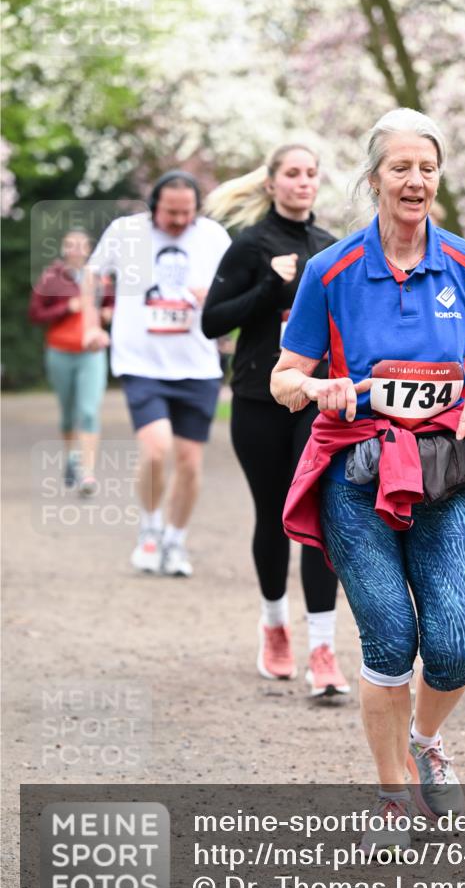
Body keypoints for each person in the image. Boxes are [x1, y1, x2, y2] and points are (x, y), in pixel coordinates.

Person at [271, 109, 465, 850]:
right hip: (357, 473)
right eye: (399, 167)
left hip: (442, 473)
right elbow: (283, 378)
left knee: (454, 645)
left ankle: (426, 741)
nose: (414, 180)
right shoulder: (331, 271)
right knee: (389, 640)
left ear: (438, 178)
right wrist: (320, 390)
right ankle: (393, 795)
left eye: (426, 168)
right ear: (374, 178)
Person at [201, 145, 349, 698]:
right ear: (271, 184)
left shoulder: (330, 248)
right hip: (259, 400)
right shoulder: (249, 246)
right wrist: (266, 285)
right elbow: (211, 321)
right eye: (293, 173)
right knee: (272, 515)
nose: (304, 182)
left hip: (316, 403)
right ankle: (274, 627)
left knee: (320, 516)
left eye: (312, 173)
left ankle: (323, 647)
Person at [85, 171, 231, 576]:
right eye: (171, 212)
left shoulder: (214, 237)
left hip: (197, 365)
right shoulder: (126, 232)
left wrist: (214, 296)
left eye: (187, 212)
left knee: (189, 461)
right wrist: (90, 325)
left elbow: (235, 286)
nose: (180, 221)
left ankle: (174, 541)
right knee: (155, 448)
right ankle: (149, 529)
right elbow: (93, 273)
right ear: (154, 207)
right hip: (141, 362)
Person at [29, 230, 113, 494]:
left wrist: (110, 313)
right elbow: (35, 314)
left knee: (89, 411)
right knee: (68, 414)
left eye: (81, 245)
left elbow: (114, 306)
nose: (76, 250)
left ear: (89, 249)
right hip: (60, 352)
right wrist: (67, 308)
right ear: (64, 249)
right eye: (70, 245)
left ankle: (87, 474)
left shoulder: (101, 277)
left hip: (91, 352)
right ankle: (70, 457)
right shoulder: (51, 278)